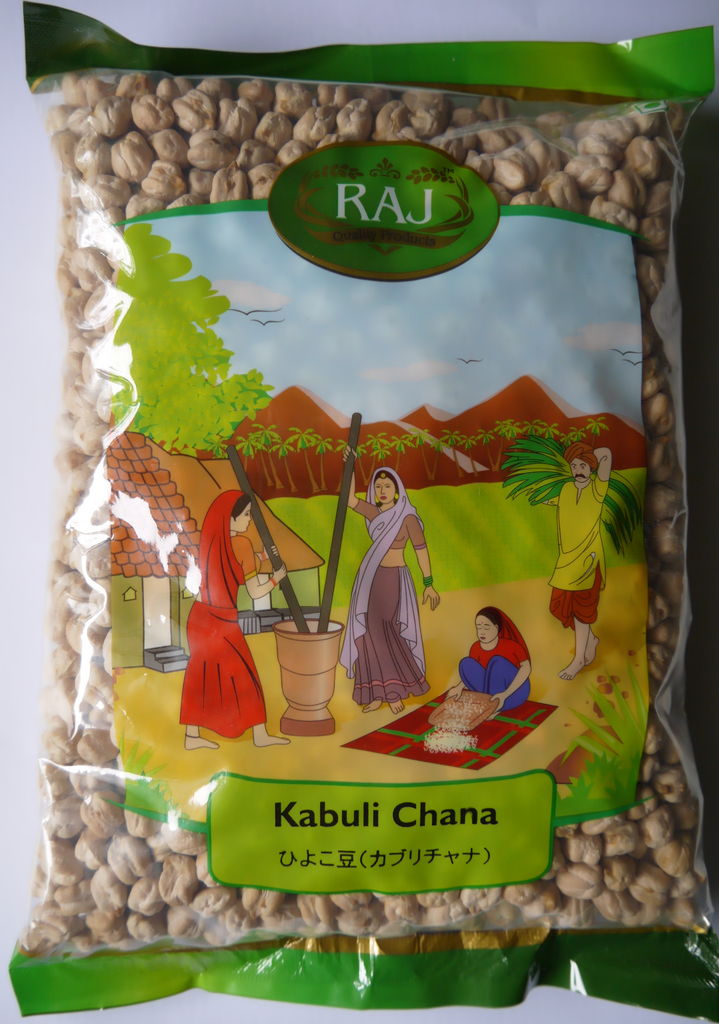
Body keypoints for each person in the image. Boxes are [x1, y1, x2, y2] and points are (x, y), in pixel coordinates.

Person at [179, 490, 289, 749]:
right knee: (245, 673)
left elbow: (229, 566)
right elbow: (255, 591)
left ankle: (191, 737)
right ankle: (260, 735)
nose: (249, 520)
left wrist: (260, 558)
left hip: (200, 617)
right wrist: (277, 577)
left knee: (200, 673)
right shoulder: (242, 544)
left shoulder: (211, 540)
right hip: (222, 620)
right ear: (231, 516)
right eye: (246, 514)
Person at [339, 460, 440, 715]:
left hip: (394, 579)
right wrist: (350, 465)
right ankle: (375, 693)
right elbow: (349, 500)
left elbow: (421, 550)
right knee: (367, 635)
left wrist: (428, 584)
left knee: (387, 630)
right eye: (378, 486)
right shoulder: (375, 513)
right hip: (370, 579)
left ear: (397, 490)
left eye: (387, 486)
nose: (382, 490)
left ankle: (394, 691)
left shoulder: (407, 517)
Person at [548, 443, 612, 679]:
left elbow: (606, 454)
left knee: (581, 612)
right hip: (566, 561)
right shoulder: (566, 489)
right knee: (558, 607)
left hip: (588, 561)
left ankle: (578, 660)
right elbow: (562, 506)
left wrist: (588, 454)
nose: (578, 470)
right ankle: (591, 639)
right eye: (574, 466)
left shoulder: (598, 489)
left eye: (583, 466)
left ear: (591, 467)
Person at [447, 606, 531, 715]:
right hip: (491, 692)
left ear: (496, 627)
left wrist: (505, 694)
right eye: (479, 627)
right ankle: (491, 703)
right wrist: (459, 688)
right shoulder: (475, 648)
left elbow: (526, 668)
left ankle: (495, 704)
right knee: (465, 663)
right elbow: (473, 673)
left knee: (496, 662)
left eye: (486, 627)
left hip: (515, 691)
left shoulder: (512, 646)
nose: (482, 632)